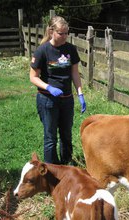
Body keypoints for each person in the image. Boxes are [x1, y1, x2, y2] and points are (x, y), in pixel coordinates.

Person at [29, 16, 86, 165]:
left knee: (66, 134)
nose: (64, 36)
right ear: (51, 31)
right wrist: (49, 87)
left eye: (66, 33)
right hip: (48, 100)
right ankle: (51, 167)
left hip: (66, 99)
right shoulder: (42, 51)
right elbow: (33, 77)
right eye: (61, 33)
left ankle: (67, 164)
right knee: (50, 137)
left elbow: (74, 72)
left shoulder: (70, 49)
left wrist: (80, 93)